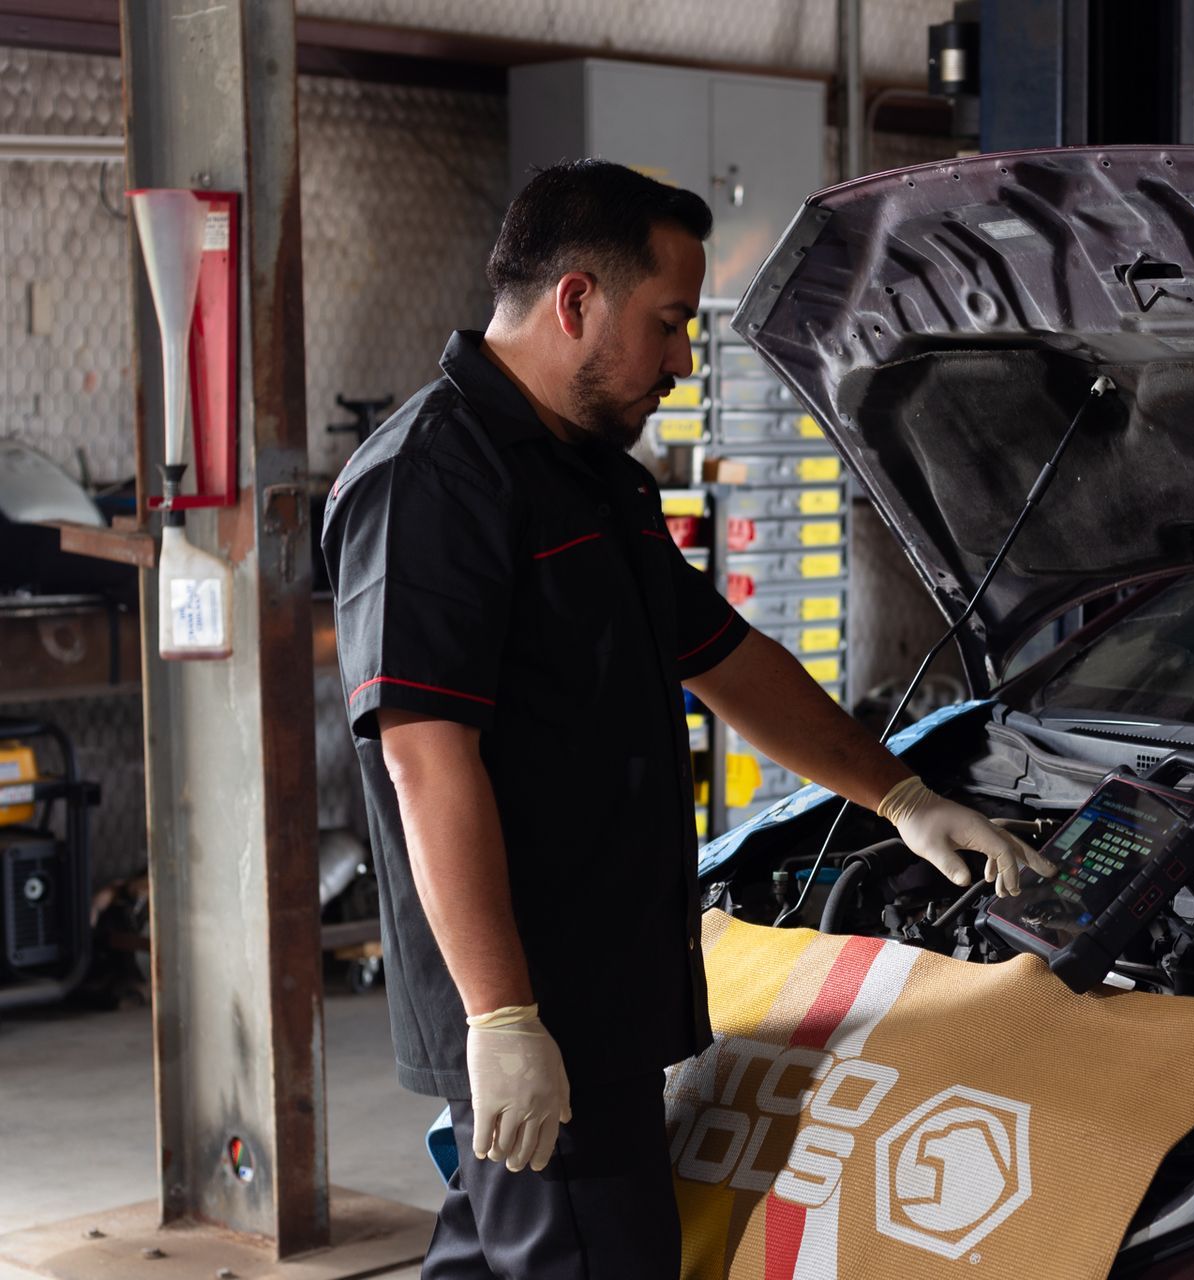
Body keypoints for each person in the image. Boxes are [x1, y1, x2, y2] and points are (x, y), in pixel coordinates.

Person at [321, 160, 1050, 1278]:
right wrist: (505, 1017)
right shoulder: (433, 480)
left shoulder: (595, 473)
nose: (681, 360)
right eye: (668, 324)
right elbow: (427, 757)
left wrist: (900, 795)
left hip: (607, 987)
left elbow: (728, 658)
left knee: (501, 1255)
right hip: (541, 1005)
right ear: (576, 301)